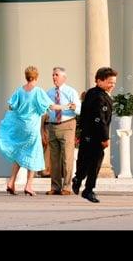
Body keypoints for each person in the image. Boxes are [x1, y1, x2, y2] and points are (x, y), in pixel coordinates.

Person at [0, 66, 69, 196]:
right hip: (32, 127)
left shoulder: (19, 90)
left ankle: (11, 181)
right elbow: (51, 106)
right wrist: (65, 106)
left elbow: (11, 106)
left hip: (20, 126)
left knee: (20, 153)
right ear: (36, 77)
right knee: (33, 155)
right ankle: (29, 185)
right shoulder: (38, 91)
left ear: (26, 76)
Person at [72, 67, 118, 203]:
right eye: (110, 82)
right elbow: (100, 118)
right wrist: (105, 138)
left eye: (114, 83)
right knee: (94, 164)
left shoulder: (94, 93)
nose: (112, 85)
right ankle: (88, 190)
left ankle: (79, 179)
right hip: (95, 136)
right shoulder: (98, 96)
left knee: (86, 161)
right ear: (99, 81)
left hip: (88, 134)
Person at [45, 67, 80, 196]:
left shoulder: (71, 92)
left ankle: (67, 186)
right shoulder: (49, 93)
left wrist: (74, 106)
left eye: (57, 75)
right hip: (53, 126)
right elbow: (46, 108)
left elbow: (79, 109)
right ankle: (55, 187)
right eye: (53, 75)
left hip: (67, 125)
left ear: (64, 78)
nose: (54, 77)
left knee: (67, 157)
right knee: (54, 159)